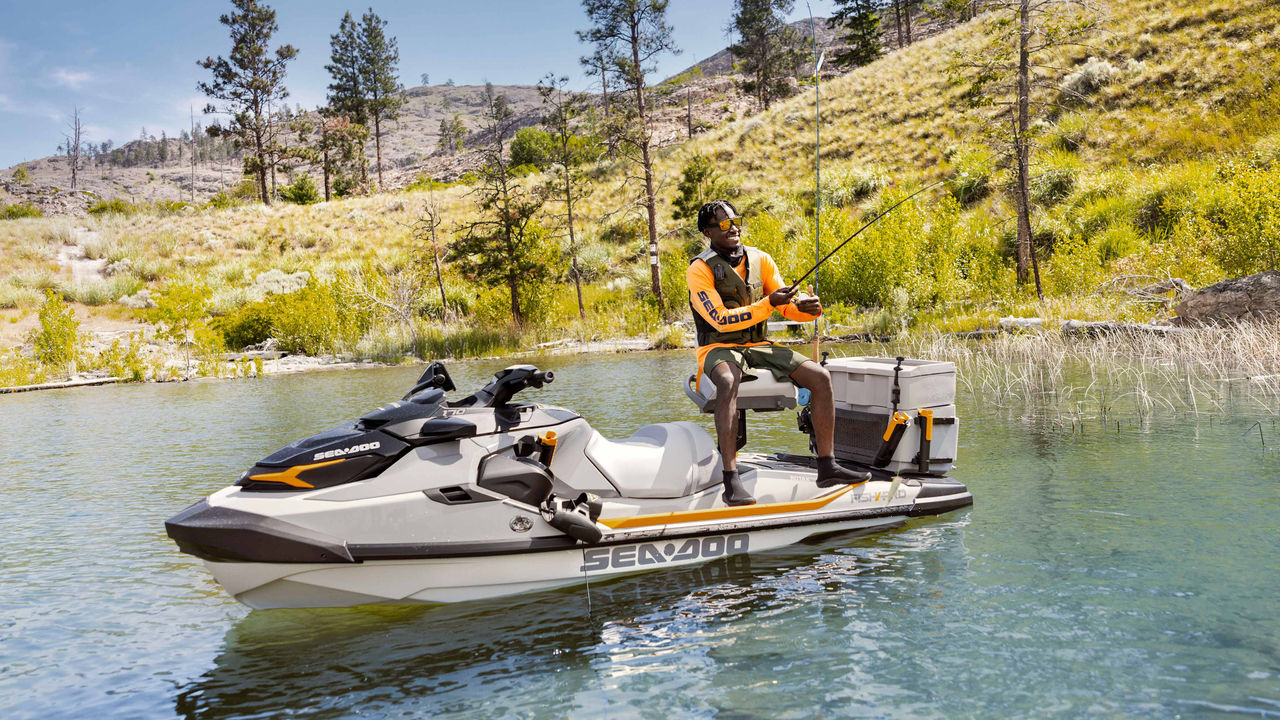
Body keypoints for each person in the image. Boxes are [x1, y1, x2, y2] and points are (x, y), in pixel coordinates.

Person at [687, 200, 871, 506]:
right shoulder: (700, 269)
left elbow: (786, 306)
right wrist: (769, 303)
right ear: (708, 232)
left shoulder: (761, 259)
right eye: (724, 225)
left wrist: (808, 310)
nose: (733, 229)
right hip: (718, 347)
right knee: (728, 381)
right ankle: (731, 479)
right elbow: (719, 319)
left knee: (820, 377)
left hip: (759, 345)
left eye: (736, 222)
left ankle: (827, 466)